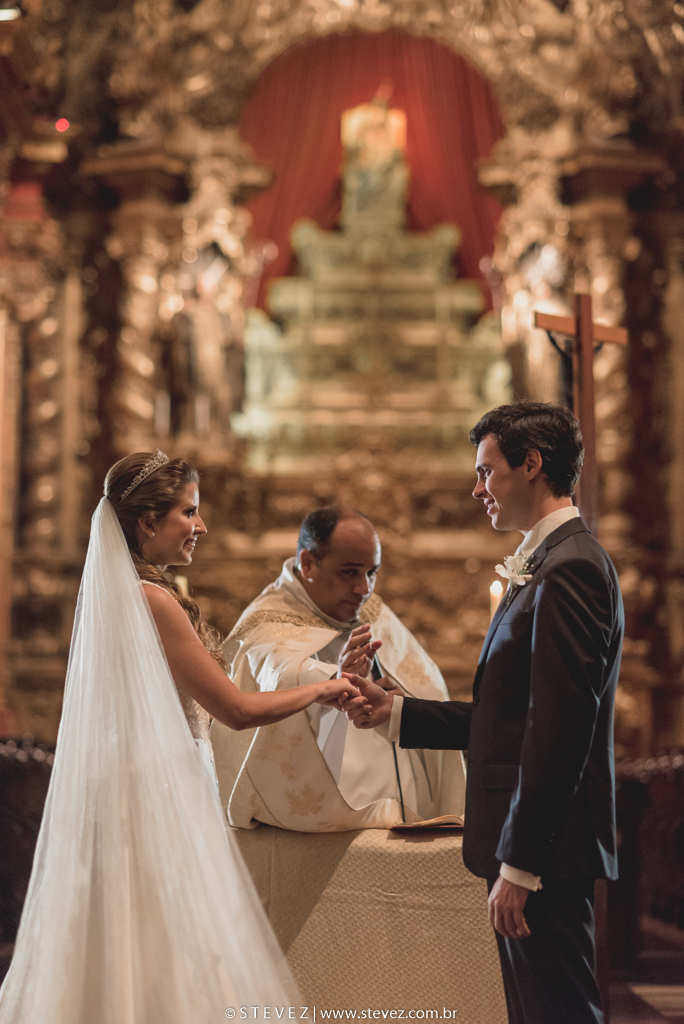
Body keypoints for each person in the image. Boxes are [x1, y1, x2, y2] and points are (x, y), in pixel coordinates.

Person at [0, 451, 360, 1023]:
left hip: (138, 780)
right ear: (148, 522)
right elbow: (236, 709)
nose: (201, 525)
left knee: (130, 943)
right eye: (188, 512)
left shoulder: (122, 595)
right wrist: (325, 689)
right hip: (156, 793)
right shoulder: (153, 601)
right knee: (166, 940)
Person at [343, 403, 624, 1024]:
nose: (477, 489)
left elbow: (560, 730)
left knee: (560, 1013)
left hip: (543, 853)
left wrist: (521, 864)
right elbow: (513, 720)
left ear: (531, 464)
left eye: (486, 471)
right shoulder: (550, 563)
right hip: (534, 849)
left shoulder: (570, 567)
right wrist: (396, 714)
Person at [215, 505, 465, 831]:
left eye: (371, 572)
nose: (364, 589)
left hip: (402, 795)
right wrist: (334, 677)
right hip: (323, 807)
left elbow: (425, 681)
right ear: (307, 563)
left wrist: (403, 701)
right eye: (349, 572)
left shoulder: (370, 608)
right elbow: (279, 674)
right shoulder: (268, 618)